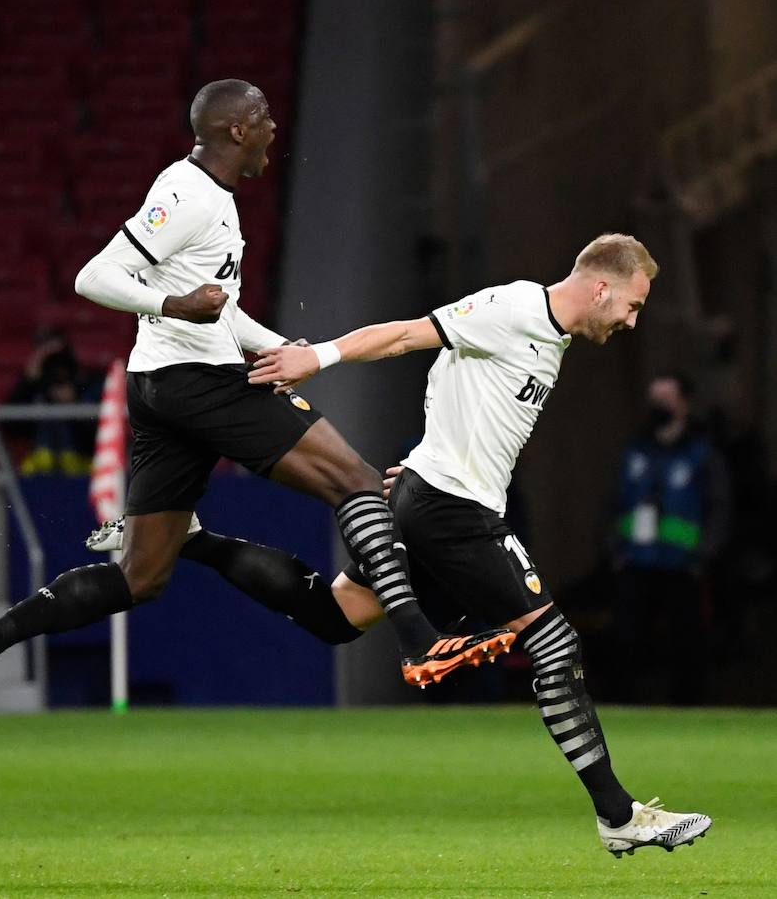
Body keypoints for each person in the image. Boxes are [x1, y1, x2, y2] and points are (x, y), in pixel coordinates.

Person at [0, 79, 510, 737]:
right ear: (235, 131)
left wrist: (280, 348)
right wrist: (175, 307)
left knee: (142, 576)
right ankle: (418, 641)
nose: (272, 130)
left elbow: (218, 307)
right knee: (357, 484)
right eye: (262, 118)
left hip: (169, 386)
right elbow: (95, 277)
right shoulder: (188, 195)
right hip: (196, 381)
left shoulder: (212, 200)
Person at [226, 232, 709, 856]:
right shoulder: (513, 310)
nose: (632, 320)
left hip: (432, 495)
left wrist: (423, 466)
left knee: (337, 615)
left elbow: (459, 399)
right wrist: (314, 358)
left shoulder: (552, 336)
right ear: (601, 287)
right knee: (555, 643)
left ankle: (191, 540)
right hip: (455, 510)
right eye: (632, 305)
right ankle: (618, 816)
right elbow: (405, 335)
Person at [611, 372, 730, 704]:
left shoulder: (702, 453)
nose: (658, 405)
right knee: (628, 639)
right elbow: (614, 503)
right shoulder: (637, 450)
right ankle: (622, 706)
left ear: (683, 403)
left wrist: (703, 555)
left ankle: (688, 707)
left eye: (666, 398)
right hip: (637, 562)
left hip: (683, 564)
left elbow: (720, 508)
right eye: (654, 398)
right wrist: (615, 550)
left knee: (688, 642)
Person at [6, 326, 97, 476]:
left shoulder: (83, 382)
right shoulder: (32, 385)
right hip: (38, 468)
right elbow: (9, 426)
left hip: (81, 469)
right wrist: (29, 381)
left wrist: (75, 401)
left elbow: (97, 432)